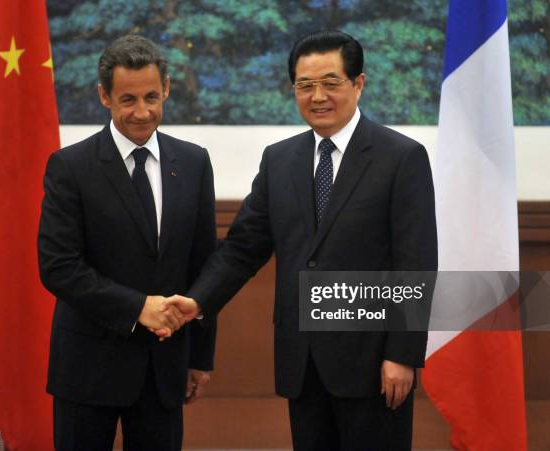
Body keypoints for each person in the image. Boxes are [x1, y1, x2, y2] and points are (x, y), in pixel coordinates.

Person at [163, 30, 437, 450]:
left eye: (331, 83)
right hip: (302, 360)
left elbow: (415, 263)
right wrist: (198, 299)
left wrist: (402, 354)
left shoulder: (401, 158)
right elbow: (243, 247)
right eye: (305, 86)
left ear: (358, 83)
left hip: (373, 363)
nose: (318, 96)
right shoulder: (280, 159)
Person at [38, 34, 217, 451]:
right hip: (87, 368)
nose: (142, 112)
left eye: (152, 97)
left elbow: (203, 265)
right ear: (104, 96)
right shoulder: (70, 167)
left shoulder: (193, 162)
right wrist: (139, 308)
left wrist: (199, 358)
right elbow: (59, 267)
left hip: (165, 368)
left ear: (167, 90)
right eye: (128, 100)